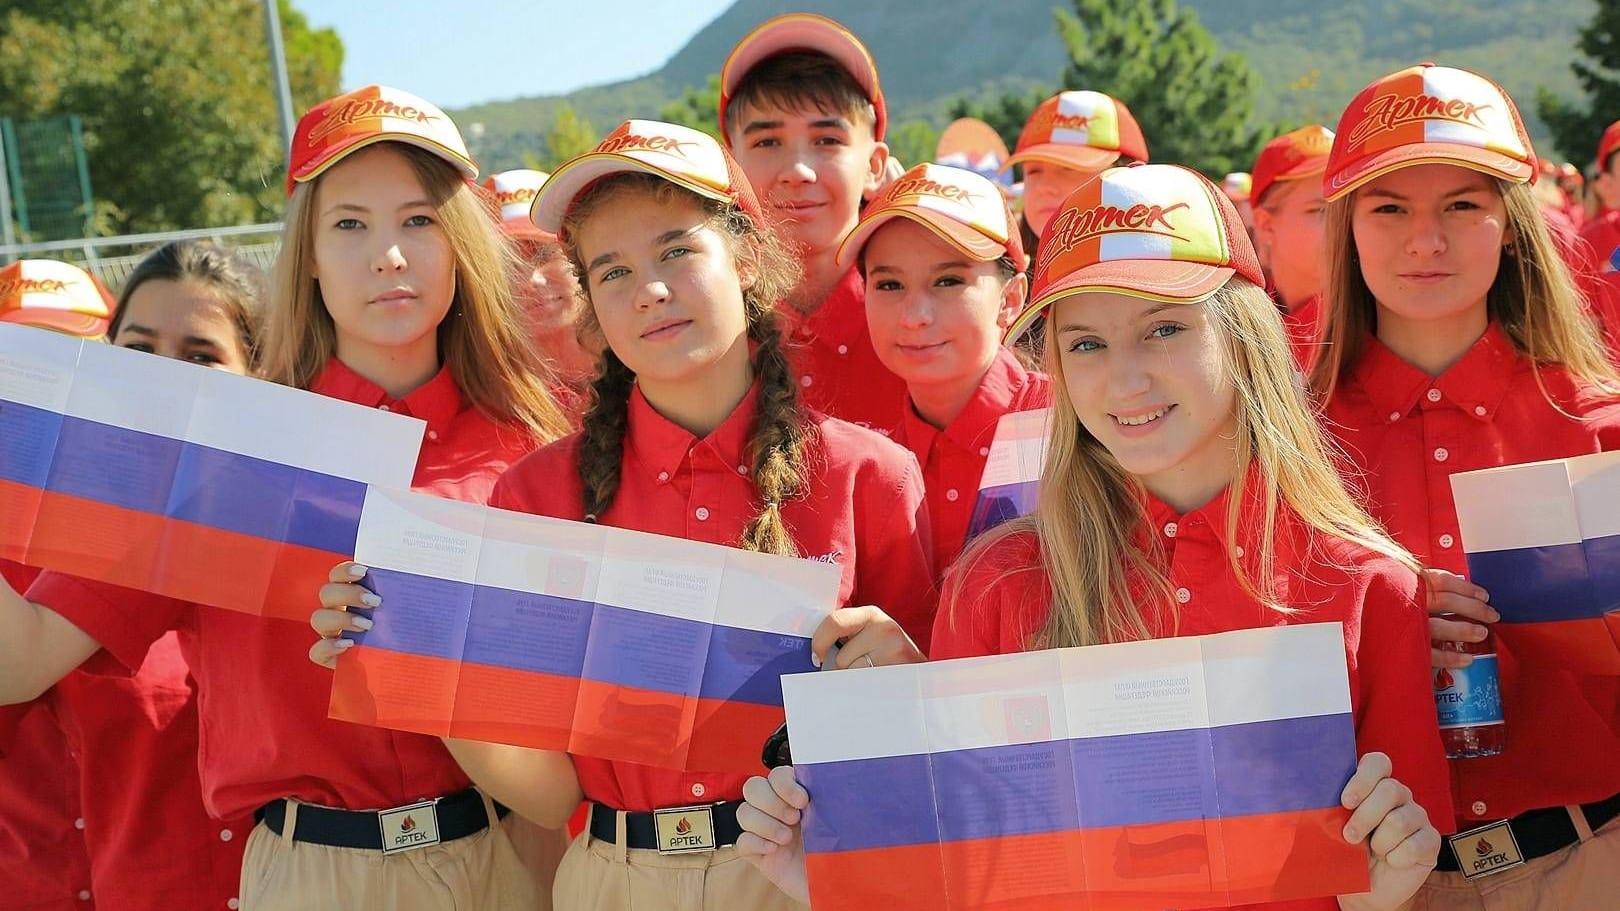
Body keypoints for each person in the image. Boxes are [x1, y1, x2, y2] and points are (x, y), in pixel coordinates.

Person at [738, 163, 1451, 911]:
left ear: (1245, 337)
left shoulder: (1372, 586)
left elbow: (1388, 872)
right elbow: (971, 879)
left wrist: (1380, 895)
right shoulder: (996, 583)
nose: (1124, 379)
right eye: (1085, 344)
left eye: (1164, 329)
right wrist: (828, 878)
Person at [311, 119, 935, 911]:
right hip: (611, 881)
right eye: (612, 271)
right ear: (590, 303)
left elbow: (925, 758)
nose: (650, 290)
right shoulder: (535, 498)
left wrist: (910, 676)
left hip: (815, 876)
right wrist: (409, 657)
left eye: (678, 250)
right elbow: (547, 795)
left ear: (745, 256)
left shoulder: (870, 475)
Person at [1, 84, 568, 910]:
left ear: (463, 244)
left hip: (513, 859)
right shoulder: (222, 451)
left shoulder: (533, 448)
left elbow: (567, 751)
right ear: (305, 251)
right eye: (350, 223)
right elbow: (20, 660)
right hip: (312, 876)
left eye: (420, 219)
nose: (390, 255)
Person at [1309, 63, 1620, 909]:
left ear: (1511, 225)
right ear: (1348, 226)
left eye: (1460, 206)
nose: (1426, 240)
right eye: (1390, 208)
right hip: (1375, 882)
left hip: (1591, 862)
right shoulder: (1287, 442)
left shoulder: (1603, 429)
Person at [836, 162, 1049, 575]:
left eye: (948, 281)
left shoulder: (1074, 425)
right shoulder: (869, 466)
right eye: (889, 285)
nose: (915, 315)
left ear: (1010, 300)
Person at [717, 12, 911, 434]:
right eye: (767, 141)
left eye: (827, 141)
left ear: (874, 166)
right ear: (729, 166)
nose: (798, 171)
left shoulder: (925, 323)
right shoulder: (703, 330)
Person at [483, 168, 597, 421]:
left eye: (544, 254)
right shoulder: (487, 404)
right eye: (507, 265)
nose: (530, 280)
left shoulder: (646, 365)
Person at [1250, 125, 1335, 369]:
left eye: (1349, 207)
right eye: (1321, 210)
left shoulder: (1383, 324)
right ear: (1266, 225)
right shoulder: (1241, 327)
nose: (1343, 225)